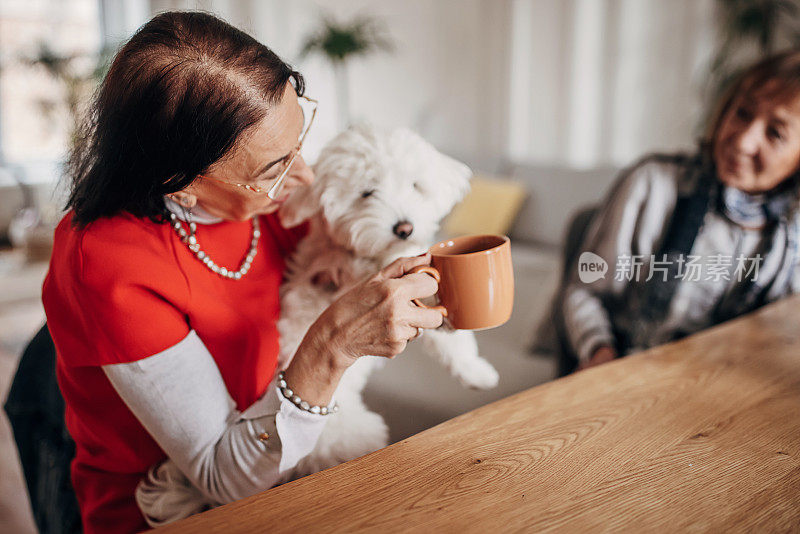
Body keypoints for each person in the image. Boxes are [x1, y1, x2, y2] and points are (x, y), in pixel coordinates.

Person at [41, 12, 444, 533]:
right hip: (175, 510)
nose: (304, 175)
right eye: (274, 168)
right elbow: (221, 476)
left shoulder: (277, 200)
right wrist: (332, 345)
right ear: (178, 183)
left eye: (302, 134)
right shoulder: (105, 261)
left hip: (292, 471)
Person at [555, 50, 800, 373]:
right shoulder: (651, 184)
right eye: (742, 113)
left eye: (775, 133)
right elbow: (583, 293)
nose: (743, 142)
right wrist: (599, 350)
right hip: (630, 372)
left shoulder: (792, 236)